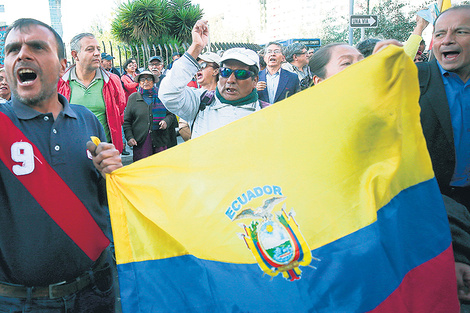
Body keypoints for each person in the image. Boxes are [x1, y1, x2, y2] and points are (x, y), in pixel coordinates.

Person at [0, 18, 122, 312]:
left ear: (63, 63)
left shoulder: (86, 120)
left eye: (37, 47)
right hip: (23, 302)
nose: (23, 55)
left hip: (97, 290)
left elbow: (104, 201)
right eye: (13, 49)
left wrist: (111, 175)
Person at [416, 6, 470, 304]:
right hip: (432, 208)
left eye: (460, 31)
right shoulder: (410, 78)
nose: (447, 40)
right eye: (439, 33)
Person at [159, 19, 269, 139]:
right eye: (225, 72)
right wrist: (196, 47)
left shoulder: (268, 114)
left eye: (241, 73)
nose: (230, 80)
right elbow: (168, 94)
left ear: (255, 80)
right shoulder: (200, 102)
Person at [57, 32, 126, 154]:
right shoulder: (60, 83)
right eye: (90, 49)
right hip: (72, 153)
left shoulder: (113, 81)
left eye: (98, 49)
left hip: (105, 153)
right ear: (75, 55)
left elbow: (120, 113)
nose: (97, 53)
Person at [123, 71, 176, 162]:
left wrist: (165, 121)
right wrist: (130, 137)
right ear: (139, 82)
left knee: (160, 167)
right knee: (143, 168)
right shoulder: (133, 97)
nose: (145, 82)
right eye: (142, 79)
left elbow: (171, 114)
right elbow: (127, 121)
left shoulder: (161, 96)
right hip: (141, 141)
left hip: (160, 139)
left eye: (149, 79)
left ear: (153, 81)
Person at [179, 51, 221, 141]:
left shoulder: (227, 96)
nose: (198, 69)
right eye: (197, 67)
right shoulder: (192, 95)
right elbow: (182, 127)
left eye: (203, 65)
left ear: (216, 71)